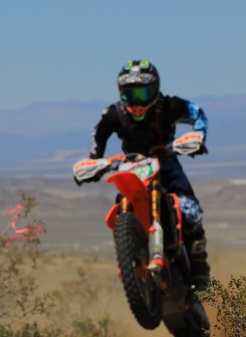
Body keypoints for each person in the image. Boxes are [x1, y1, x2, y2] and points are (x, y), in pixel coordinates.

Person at [87, 59, 210, 288]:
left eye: (143, 94)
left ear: (155, 90)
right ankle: (131, 256)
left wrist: (198, 136)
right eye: (130, 95)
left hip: (167, 163)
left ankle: (200, 271)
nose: (137, 103)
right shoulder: (114, 113)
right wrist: (95, 161)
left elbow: (198, 114)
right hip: (132, 168)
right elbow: (98, 133)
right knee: (120, 210)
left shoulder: (170, 106)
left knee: (190, 211)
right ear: (121, 93)